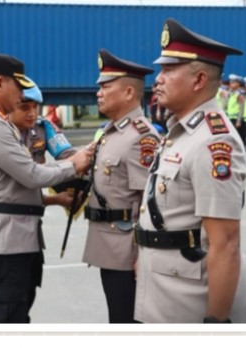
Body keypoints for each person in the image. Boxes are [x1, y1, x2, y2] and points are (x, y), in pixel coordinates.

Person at [134, 18, 246, 323]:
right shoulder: (182, 131)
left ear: (199, 80)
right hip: (163, 287)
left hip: (188, 301)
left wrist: (216, 324)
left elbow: (226, 243)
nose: (158, 79)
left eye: (168, 70)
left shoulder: (213, 140)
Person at [0, 53, 91, 323]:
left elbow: (10, 189)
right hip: (5, 244)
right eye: (18, 86)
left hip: (17, 239)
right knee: (6, 320)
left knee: (17, 316)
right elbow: (31, 175)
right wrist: (74, 165)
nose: (22, 93)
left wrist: (55, 201)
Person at [82, 48, 160, 323]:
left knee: (128, 324)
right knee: (118, 319)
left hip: (128, 252)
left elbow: (148, 202)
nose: (98, 92)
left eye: (105, 86)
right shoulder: (110, 131)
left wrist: (143, 255)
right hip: (110, 247)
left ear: (128, 92)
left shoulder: (141, 137)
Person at [7, 76, 79, 208]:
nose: (32, 114)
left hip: (32, 214)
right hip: (4, 212)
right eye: (25, 108)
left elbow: (69, 156)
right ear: (8, 107)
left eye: (35, 107)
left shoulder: (43, 127)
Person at [225, 74, 245, 144]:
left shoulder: (240, 94)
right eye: (230, 82)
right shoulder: (230, 93)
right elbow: (226, 105)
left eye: (233, 82)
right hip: (230, 118)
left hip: (236, 119)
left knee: (239, 139)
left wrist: (239, 121)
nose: (231, 84)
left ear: (238, 84)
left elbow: (241, 108)